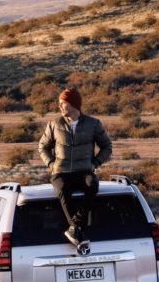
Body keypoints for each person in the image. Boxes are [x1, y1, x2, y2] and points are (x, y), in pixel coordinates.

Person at [38, 88, 113, 254]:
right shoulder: (54, 124)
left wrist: (95, 163)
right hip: (60, 172)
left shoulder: (93, 124)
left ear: (73, 104)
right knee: (62, 190)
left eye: (62, 103)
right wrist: (51, 164)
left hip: (84, 170)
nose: (60, 106)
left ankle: (74, 227)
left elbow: (107, 146)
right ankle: (77, 228)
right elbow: (42, 146)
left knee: (92, 185)